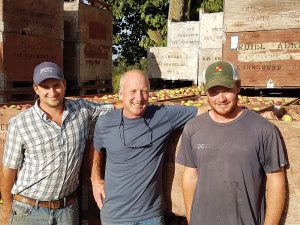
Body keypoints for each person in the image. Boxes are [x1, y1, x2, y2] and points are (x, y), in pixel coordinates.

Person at [1, 62, 114, 225]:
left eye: (56, 85)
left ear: (64, 84)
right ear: (36, 89)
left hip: (67, 210)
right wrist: (6, 208)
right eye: (45, 87)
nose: (52, 92)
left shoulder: (82, 110)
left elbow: (114, 108)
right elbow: (8, 170)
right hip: (29, 210)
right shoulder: (20, 124)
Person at [176, 61, 288, 225]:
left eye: (227, 90)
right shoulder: (193, 128)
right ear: (205, 91)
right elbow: (190, 177)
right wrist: (191, 219)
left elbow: (276, 179)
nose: (220, 98)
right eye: (214, 91)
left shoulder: (263, 129)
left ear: (238, 86)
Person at [91, 70, 202, 225]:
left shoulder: (162, 116)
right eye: (133, 91)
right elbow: (97, 150)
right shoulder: (105, 123)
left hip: (150, 217)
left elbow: (202, 112)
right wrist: (95, 179)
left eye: (144, 91)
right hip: (114, 217)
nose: (139, 98)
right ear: (121, 94)